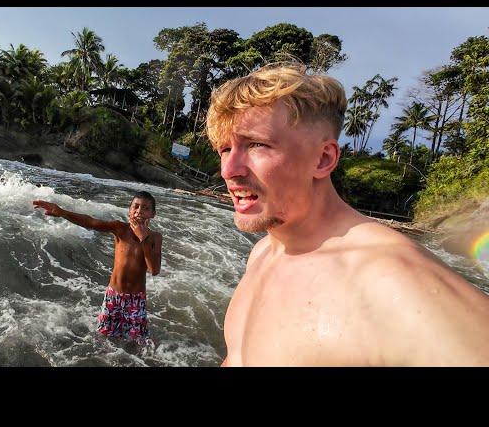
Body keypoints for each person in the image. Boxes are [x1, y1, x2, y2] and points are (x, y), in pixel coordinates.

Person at [206, 61, 489, 366]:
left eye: (256, 145)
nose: (229, 170)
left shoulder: (389, 278)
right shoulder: (264, 252)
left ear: (323, 158)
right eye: (224, 149)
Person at [33, 191, 161, 342]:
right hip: (114, 296)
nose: (139, 211)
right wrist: (62, 212)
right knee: (104, 338)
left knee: (137, 341)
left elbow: (154, 270)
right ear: (129, 210)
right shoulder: (120, 229)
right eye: (136, 207)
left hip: (136, 299)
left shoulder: (155, 237)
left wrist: (143, 238)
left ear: (153, 214)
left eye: (145, 208)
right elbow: (90, 222)